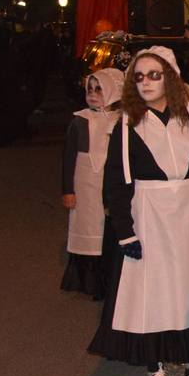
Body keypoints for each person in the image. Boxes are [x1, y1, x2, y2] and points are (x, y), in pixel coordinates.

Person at [88, 46, 189, 376]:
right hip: (149, 213)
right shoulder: (128, 123)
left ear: (171, 79)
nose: (145, 82)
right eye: (139, 76)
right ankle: (155, 365)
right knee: (154, 291)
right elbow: (115, 182)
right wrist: (125, 233)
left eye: (154, 75)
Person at [61, 68, 126, 299]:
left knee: (107, 226)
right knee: (87, 224)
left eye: (99, 89)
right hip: (85, 182)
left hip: (110, 182)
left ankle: (108, 276)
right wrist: (68, 190)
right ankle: (86, 277)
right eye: (89, 89)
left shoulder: (123, 120)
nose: (93, 94)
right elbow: (68, 158)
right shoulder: (80, 120)